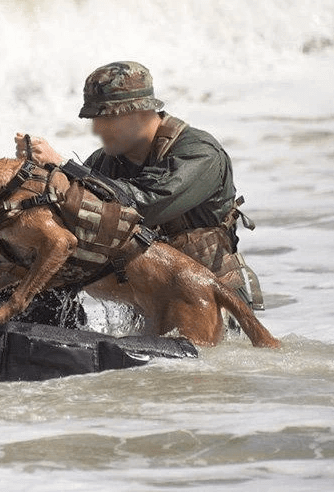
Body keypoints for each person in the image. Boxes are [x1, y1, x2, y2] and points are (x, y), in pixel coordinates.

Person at [15, 61, 264, 310]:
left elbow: (142, 206)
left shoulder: (199, 154)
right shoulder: (107, 161)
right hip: (154, 300)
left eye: (107, 118)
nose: (97, 129)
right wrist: (41, 175)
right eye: (95, 119)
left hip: (214, 303)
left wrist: (63, 164)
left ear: (141, 113)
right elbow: (75, 212)